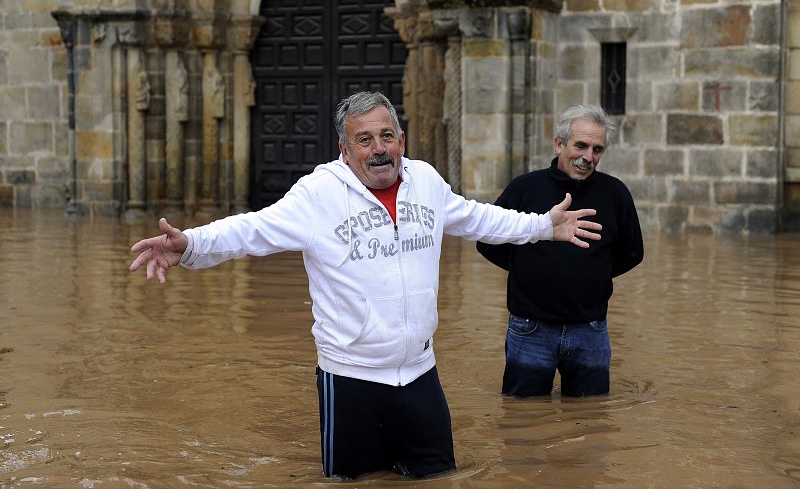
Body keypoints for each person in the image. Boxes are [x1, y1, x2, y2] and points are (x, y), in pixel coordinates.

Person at [129, 91, 602, 480]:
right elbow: (252, 230)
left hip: (420, 373)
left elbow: (478, 217)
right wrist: (189, 245)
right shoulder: (318, 194)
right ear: (345, 150)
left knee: (438, 477)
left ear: (402, 139)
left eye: (386, 136)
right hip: (350, 377)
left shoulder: (427, 183)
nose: (379, 148)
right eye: (364, 139)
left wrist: (543, 226)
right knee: (350, 484)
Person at [477, 104, 643, 398]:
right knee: (522, 418)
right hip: (530, 330)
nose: (587, 157)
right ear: (559, 144)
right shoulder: (525, 188)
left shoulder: (615, 193)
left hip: (590, 330)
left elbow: (631, 253)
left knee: (591, 420)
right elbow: (488, 240)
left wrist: (592, 271)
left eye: (597, 149)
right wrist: (528, 267)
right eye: (580, 145)